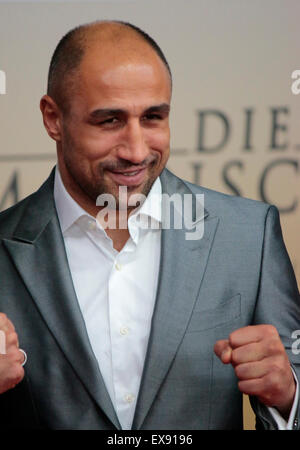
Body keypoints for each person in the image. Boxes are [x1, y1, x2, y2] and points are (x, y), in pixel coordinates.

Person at [0, 20, 299, 430]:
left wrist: (288, 396)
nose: (137, 150)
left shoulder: (249, 236)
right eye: (109, 121)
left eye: (154, 117)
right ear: (53, 118)